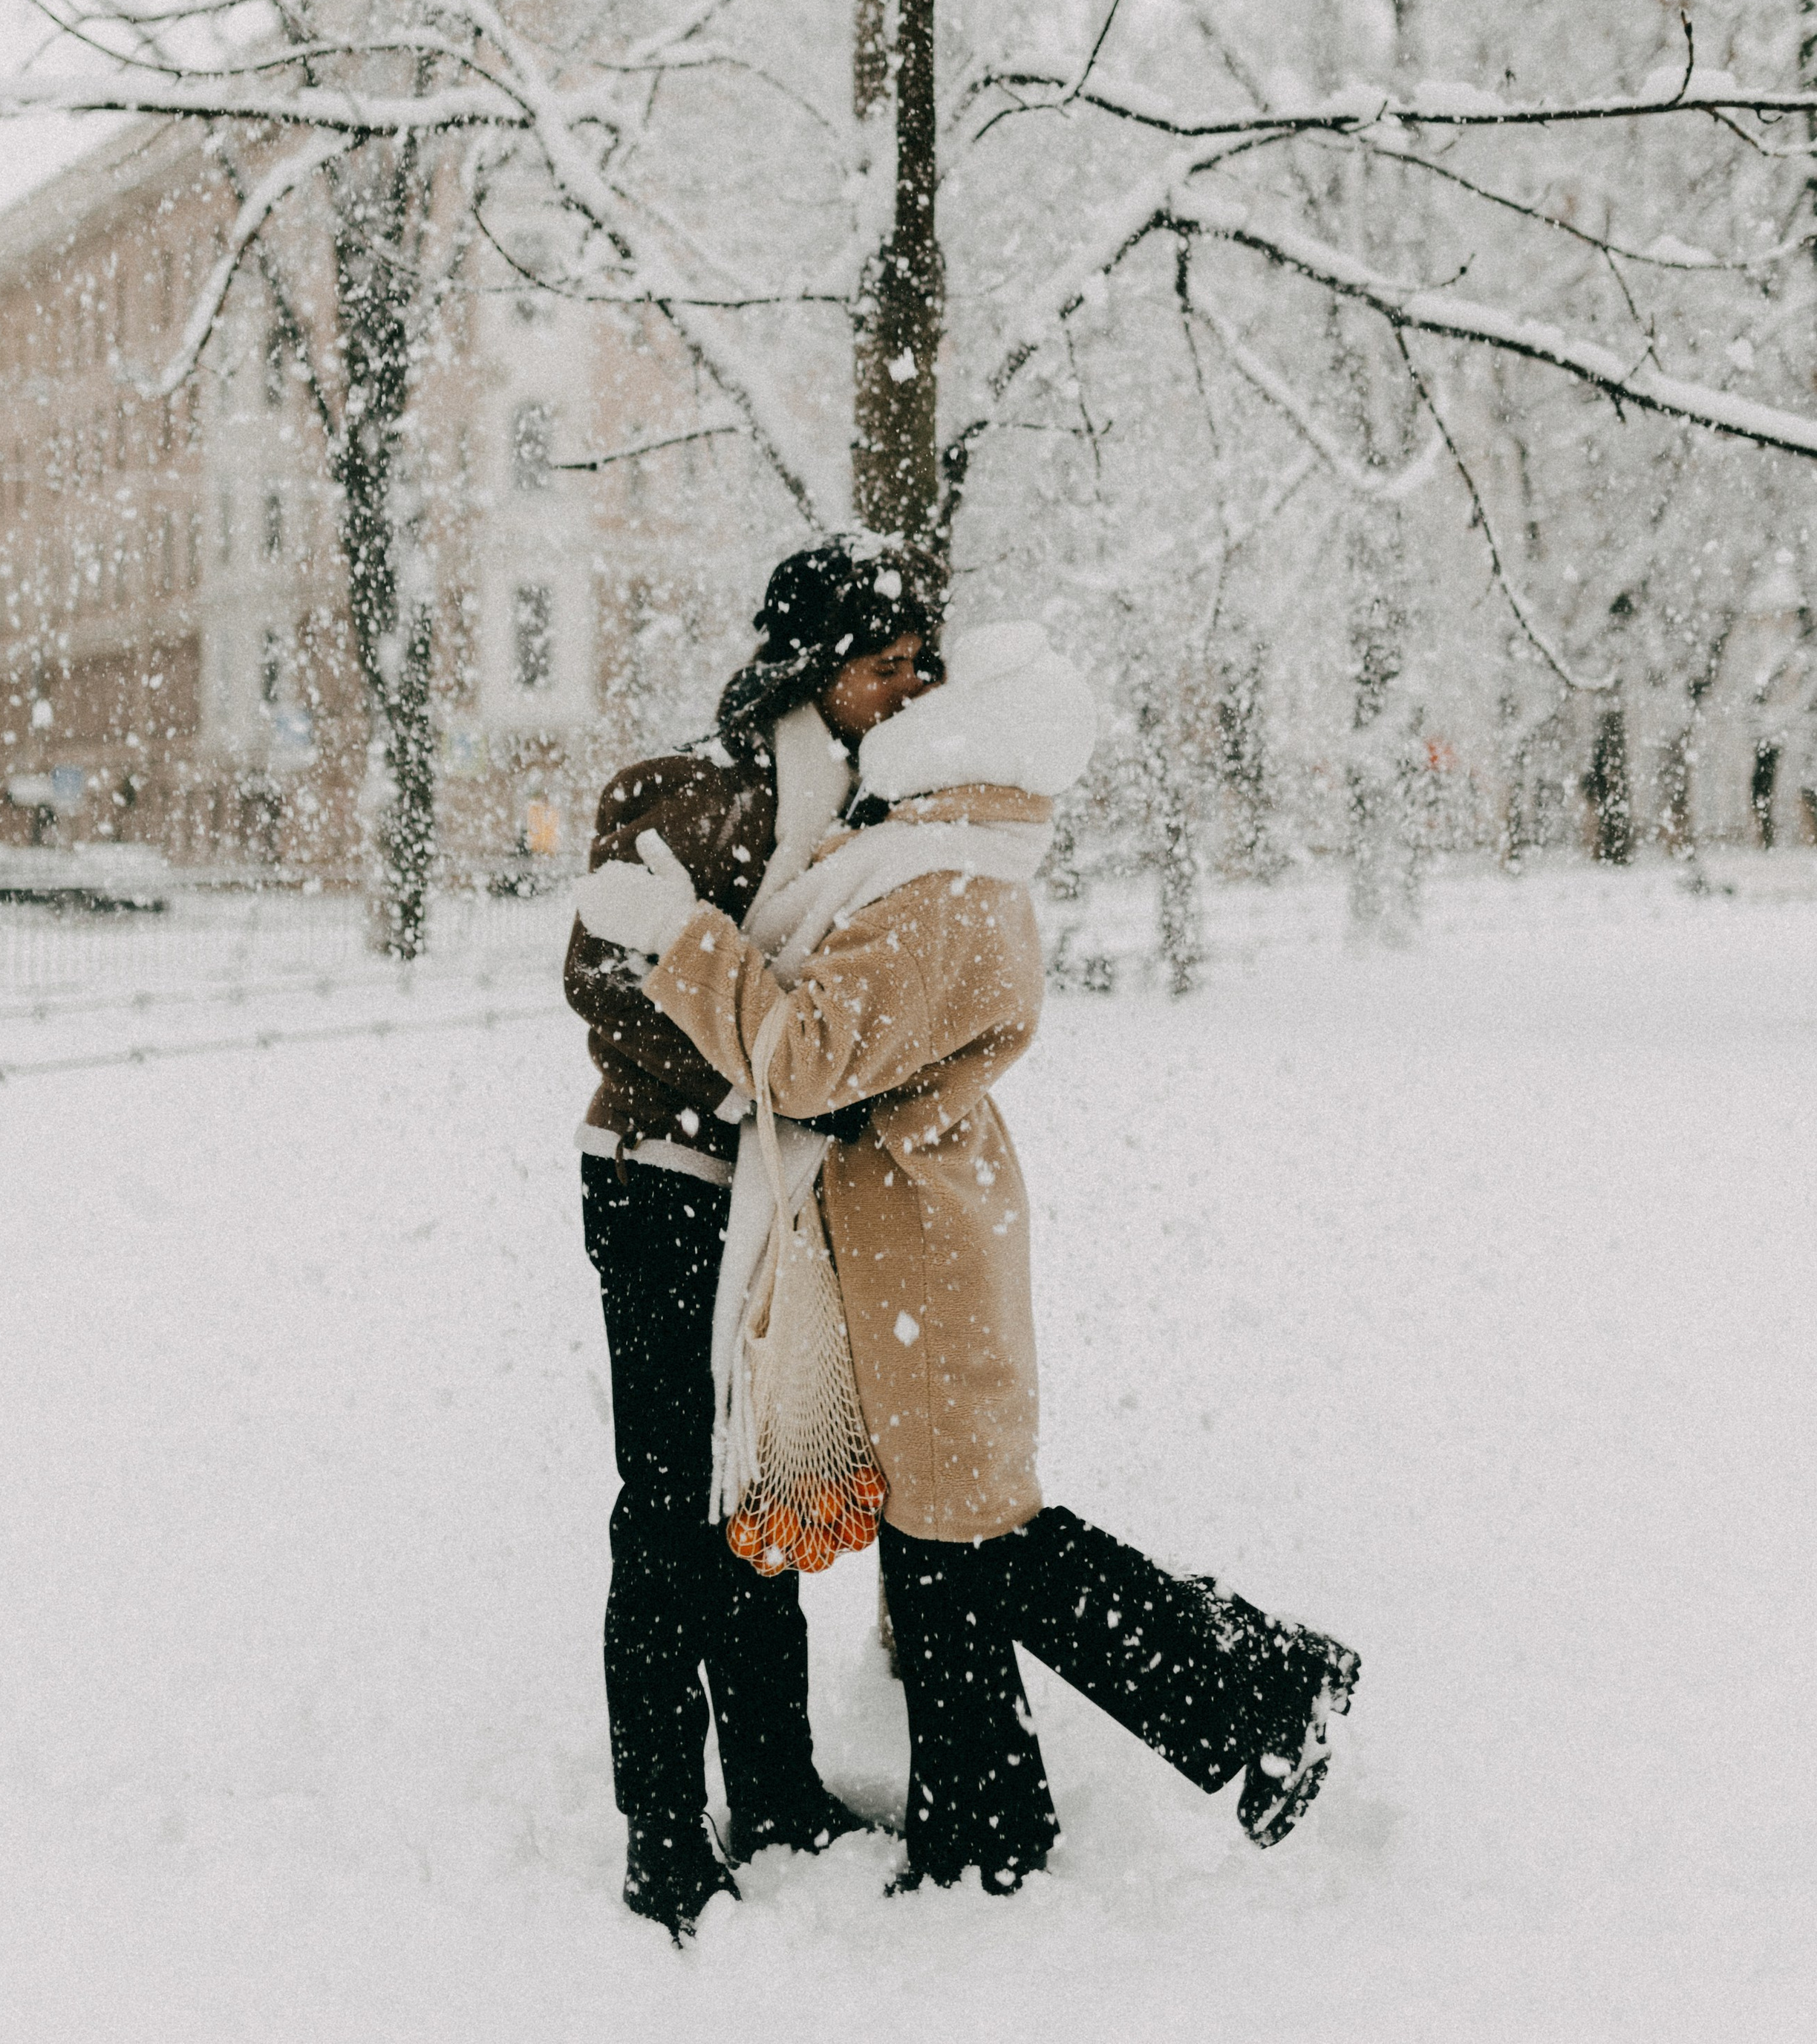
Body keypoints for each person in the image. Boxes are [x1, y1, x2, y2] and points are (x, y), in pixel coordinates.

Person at [577, 620, 1360, 1900]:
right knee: (949, 1546)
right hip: (910, 1239)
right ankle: (988, 1824)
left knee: (987, 1543)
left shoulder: (941, 883)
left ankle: (1260, 1688)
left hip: (921, 1258)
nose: (903, 703)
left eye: (928, 687)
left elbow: (804, 1056)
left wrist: (682, 940)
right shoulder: (923, 852)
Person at [566, 533, 947, 1940]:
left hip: (774, 1201)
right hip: (660, 1179)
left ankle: (775, 1784)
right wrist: (747, 1071)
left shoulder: (882, 815)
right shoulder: (686, 794)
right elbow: (603, 977)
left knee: (759, 1489)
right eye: (879, 665)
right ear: (811, 667)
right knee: (670, 1503)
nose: (905, 689)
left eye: (919, 666)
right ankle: (664, 1826)